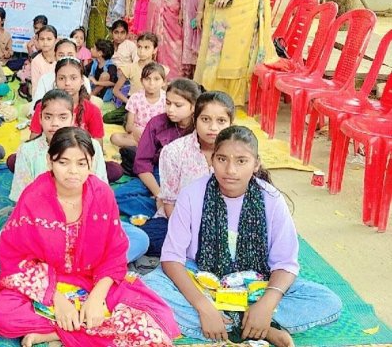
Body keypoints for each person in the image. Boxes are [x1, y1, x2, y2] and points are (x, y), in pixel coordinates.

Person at [143, 126, 342, 345]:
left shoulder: (271, 199)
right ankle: (255, 329)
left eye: (241, 161)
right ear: (211, 160)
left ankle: (239, 323)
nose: (230, 170)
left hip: (256, 283)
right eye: (222, 159)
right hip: (203, 278)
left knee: (327, 301)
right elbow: (172, 258)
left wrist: (266, 305)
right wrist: (203, 306)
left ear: (256, 164)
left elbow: (285, 263)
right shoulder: (192, 194)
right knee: (149, 287)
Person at [0, 127, 180, 347]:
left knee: (157, 317)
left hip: (91, 279)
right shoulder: (33, 197)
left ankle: (58, 334)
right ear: (50, 162)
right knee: (0, 314)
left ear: (91, 163)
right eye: (63, 162)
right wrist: (56, 299)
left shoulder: (102, 194)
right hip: (45, 282)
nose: (73, 172)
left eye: (81, 163)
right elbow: (17, 257)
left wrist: (96, 299)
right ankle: (90, 328)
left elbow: (114, 253)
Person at [10, 90, 144, 256]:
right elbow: (22, 200)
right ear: (39, 118)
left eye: (62, 117)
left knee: (139, 238)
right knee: (5, 239)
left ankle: (69, 262)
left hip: (86, 221)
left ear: (72, 118)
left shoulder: (91, 146)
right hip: (43, 223)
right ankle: (80, 262)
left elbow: (100, 192)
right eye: (48, 116)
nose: (54, 123)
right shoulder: (28, 150)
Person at [141, 91, 234, 255]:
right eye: (205, 119)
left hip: (223, 224)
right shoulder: (173, 151)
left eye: (221, 121)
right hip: (179, 221)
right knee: (147, 240)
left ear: (231, 123)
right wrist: (188, 234)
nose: (213, 127)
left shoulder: (237, 154)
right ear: (195, 119)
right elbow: (169, 202)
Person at [115, 79, 201, 217]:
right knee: (114, 197)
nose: (170, 109)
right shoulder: (157, 123)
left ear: (193, 107)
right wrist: (160, 194)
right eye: (167, 103)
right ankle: (165, 209)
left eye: (178, 105)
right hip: (157, 174)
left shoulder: (201, 127)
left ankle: (171, 210)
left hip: (188, 178)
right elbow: (142, 163)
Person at [30, 58, 104, 139]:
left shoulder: (93, 111)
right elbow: (33, 141)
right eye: (61, 78)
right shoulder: (42, 107)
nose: (67, 83)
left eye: (73, 78)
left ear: (82, 80)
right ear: (56, 81)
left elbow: (97, 148)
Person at [109, 32, 165, 124]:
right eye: (139, 47)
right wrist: (130, 103)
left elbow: (164, 91)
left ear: (155, 50)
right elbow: (116, 90)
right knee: (108, 117)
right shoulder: (130, 68)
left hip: (154, 105)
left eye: (146, 47)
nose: (142, 51)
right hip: (133, 103)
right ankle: (130, 120)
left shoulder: (161, 69)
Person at [111, 63, 168, 148]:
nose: (151, 83)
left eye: (156, 79)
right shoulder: (135, 98)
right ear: (141, 81)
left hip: (158, 136)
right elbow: (129, 126)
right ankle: (146, 148)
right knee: (115, 138)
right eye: (147, 79)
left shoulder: (167, 99)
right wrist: (135, 130)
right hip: (138, 136)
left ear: (163, 82)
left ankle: (146, 148)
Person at [31, 38, 93, 106]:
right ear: (55, 56)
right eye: (61, 55)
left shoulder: (84, 80)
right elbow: (37, 105)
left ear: (76, 56)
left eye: (70, 55)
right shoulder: (45, 79)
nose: (66, 58)